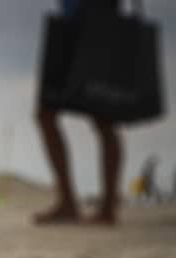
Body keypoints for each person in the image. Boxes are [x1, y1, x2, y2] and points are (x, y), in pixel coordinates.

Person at [35, 0, 122, 225]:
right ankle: (71, 202)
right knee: (47, 113)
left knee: (103, 115)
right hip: (71, 21)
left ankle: (106, 206)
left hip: (98, 20)